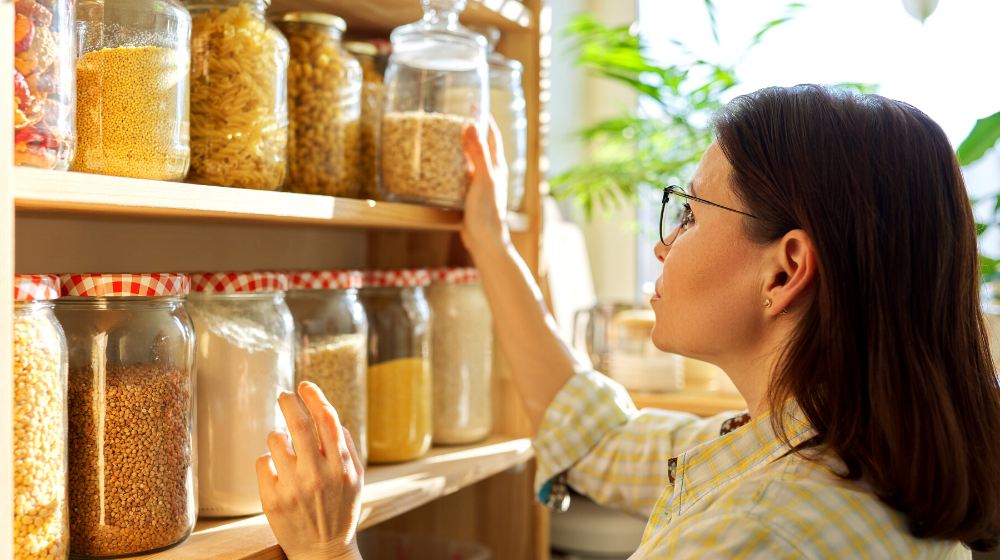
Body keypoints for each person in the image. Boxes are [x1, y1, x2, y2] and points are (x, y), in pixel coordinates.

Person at [254, 84, 1000, 559]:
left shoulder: (756, 536)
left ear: (784, 270)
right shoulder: (834, 454)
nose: (661, 243)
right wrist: (490, 241)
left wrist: (325, 546)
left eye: (692, 213)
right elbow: (597, 435)